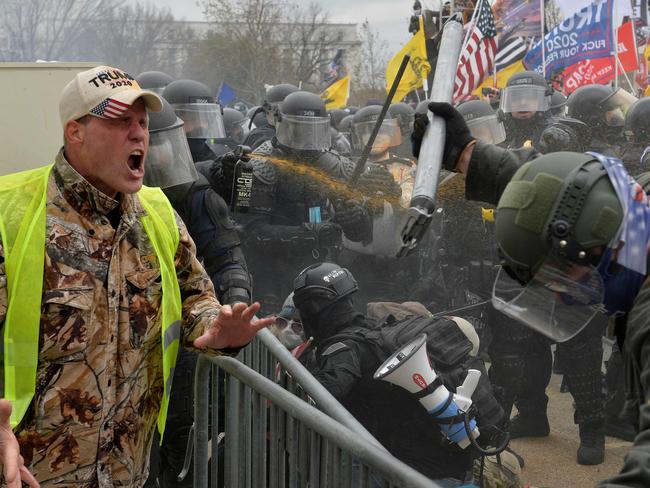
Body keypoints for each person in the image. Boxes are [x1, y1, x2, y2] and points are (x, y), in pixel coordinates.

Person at [0, 65, 273, 487]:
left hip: (129, 472)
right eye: (120, 121)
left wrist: (215, 328)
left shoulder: (159, 213)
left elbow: (194, 293)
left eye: (143, 123)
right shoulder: (10, 213)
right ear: (76, 132)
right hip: (30, 473)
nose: (139, 134)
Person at [413, 102, 610, 465]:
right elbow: (455, 243)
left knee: (580, 350)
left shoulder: (566, 173)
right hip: (512, 277)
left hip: (564, 274)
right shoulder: (467, 188)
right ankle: (532, 416)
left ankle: (592, 429)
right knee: (514, 351)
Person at [290, 262, 507, 486]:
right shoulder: (378, 329)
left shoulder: (344, 347)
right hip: (451, 465)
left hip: (410, 472)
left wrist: (286, 392)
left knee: (347, 460)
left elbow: (325, 392)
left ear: (312, 309)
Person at [142, 99, 253, 487]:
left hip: (181, 345)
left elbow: (227, 258)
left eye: (157, 143)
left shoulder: (195, 195)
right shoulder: (111, 198)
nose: (151, 153)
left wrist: (235, 301)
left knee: (179, 436)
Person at [209, 91, 374, 313]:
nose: (307, 138)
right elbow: (249, 232)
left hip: (324, 273)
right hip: (273, 276)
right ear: (283, 125)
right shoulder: (256, 166)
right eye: (300, 129)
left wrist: (355, 218)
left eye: (313, 129)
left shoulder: (329, 163)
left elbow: (361, 235)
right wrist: (310, 232)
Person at [499, 70, 553, 150]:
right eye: (516, 98)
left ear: (542, 100)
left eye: (529, 97)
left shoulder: (553, 133)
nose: (522, 103)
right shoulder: (500, 133)